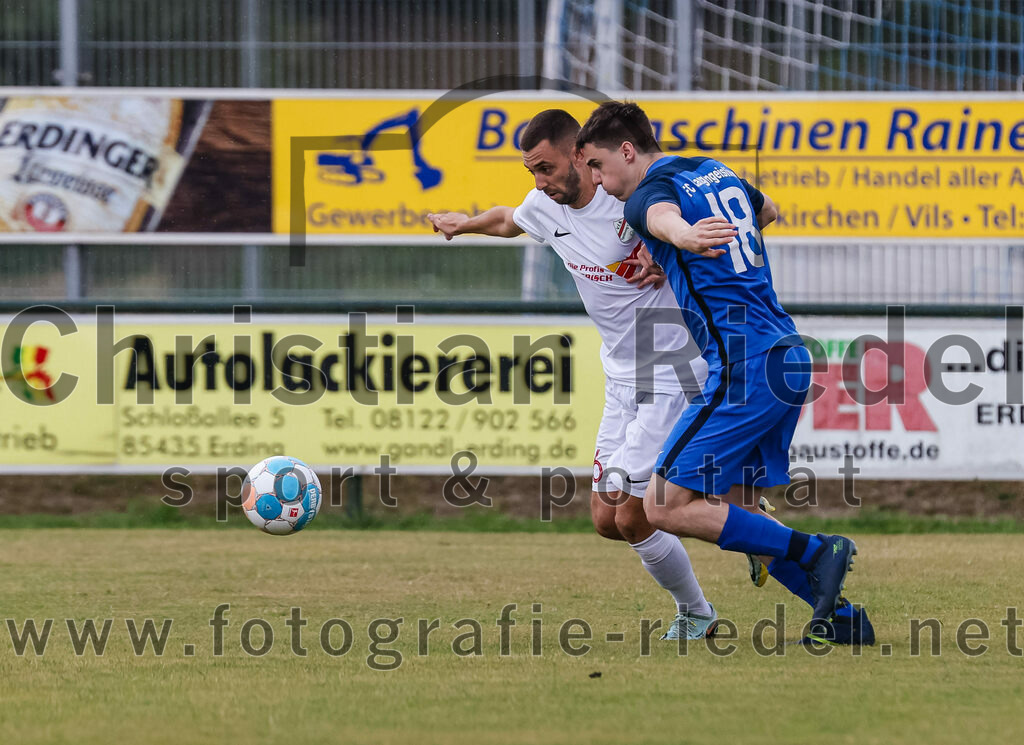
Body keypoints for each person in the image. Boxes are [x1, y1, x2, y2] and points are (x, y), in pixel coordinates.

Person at [576, 101, 873, 645]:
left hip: (745, 366)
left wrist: (680, 237)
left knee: (663, 505)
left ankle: (818, 549)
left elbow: (660, 216)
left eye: (596, 165)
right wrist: (673, 251)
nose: (595, 180)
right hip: (788, 355)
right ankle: (845, 618)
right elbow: (769, 211)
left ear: (625, 150)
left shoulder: (646, 197)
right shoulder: (711, 168)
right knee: (736, 516)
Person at [428, 109, 717, 640]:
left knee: (634, 517)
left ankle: (698, 610)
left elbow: (720, 222)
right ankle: (729, 509)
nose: (539, 183)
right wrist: (463, 223)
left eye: (545, 168)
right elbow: (509, 220)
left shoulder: (629, 196)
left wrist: (672, 253)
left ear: (580, 155)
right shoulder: (545, 205)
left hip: (672, 367)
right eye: (531, 173)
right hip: (621, 375)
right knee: (606, 522)